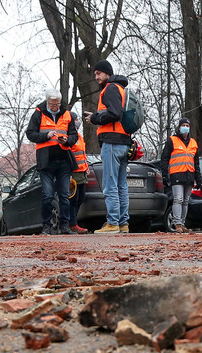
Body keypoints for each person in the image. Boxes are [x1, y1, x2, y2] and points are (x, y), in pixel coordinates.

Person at [84, 59, 132, 233]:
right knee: (121, 186)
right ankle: (123, 223)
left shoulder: (110, 89)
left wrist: (95, 118)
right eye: (95, 74)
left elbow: (114, 113)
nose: (96, 77)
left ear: (107, 73)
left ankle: (112, 223)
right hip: (123, 141)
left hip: (112, 142)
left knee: (110, 185)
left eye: (98, 73)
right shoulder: (121, 89)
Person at [25, 89, 79, 235]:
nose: (55, 107)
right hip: (46, 160)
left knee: (64, 195)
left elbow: (74, 135)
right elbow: (30, 133)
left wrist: (67, 140)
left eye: (57, 104)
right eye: (52, 104)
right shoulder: (38, 113)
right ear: (47, 102)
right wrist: (46, 136)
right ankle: (47, 226)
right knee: (47, 195)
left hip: (63, 160)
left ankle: (64, 226)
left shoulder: (66, 114)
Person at [160, 117, 201, 233]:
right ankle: (177, 223)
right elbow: (164, 159)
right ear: (179, 127)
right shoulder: (172, 140)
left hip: (189, 175)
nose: (185, 128)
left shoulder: (193, 143)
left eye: (187, 126)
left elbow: (196, 162)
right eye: (183, 125)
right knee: (178, 199)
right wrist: (165, 175)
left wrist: (198, 178)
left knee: (185, 201)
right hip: (176, 174)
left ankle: (182, 223)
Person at [64, 110, 90, 233]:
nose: (77, 122)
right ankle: (72, 224)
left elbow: (82, 154)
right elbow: (68, 156)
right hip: (73, 173)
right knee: (73, 199)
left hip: (82, 172)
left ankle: (72, 222)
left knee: (81, 198)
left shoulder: (80, 137)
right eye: (75, 120)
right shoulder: (69, 138)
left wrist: (87, 167)